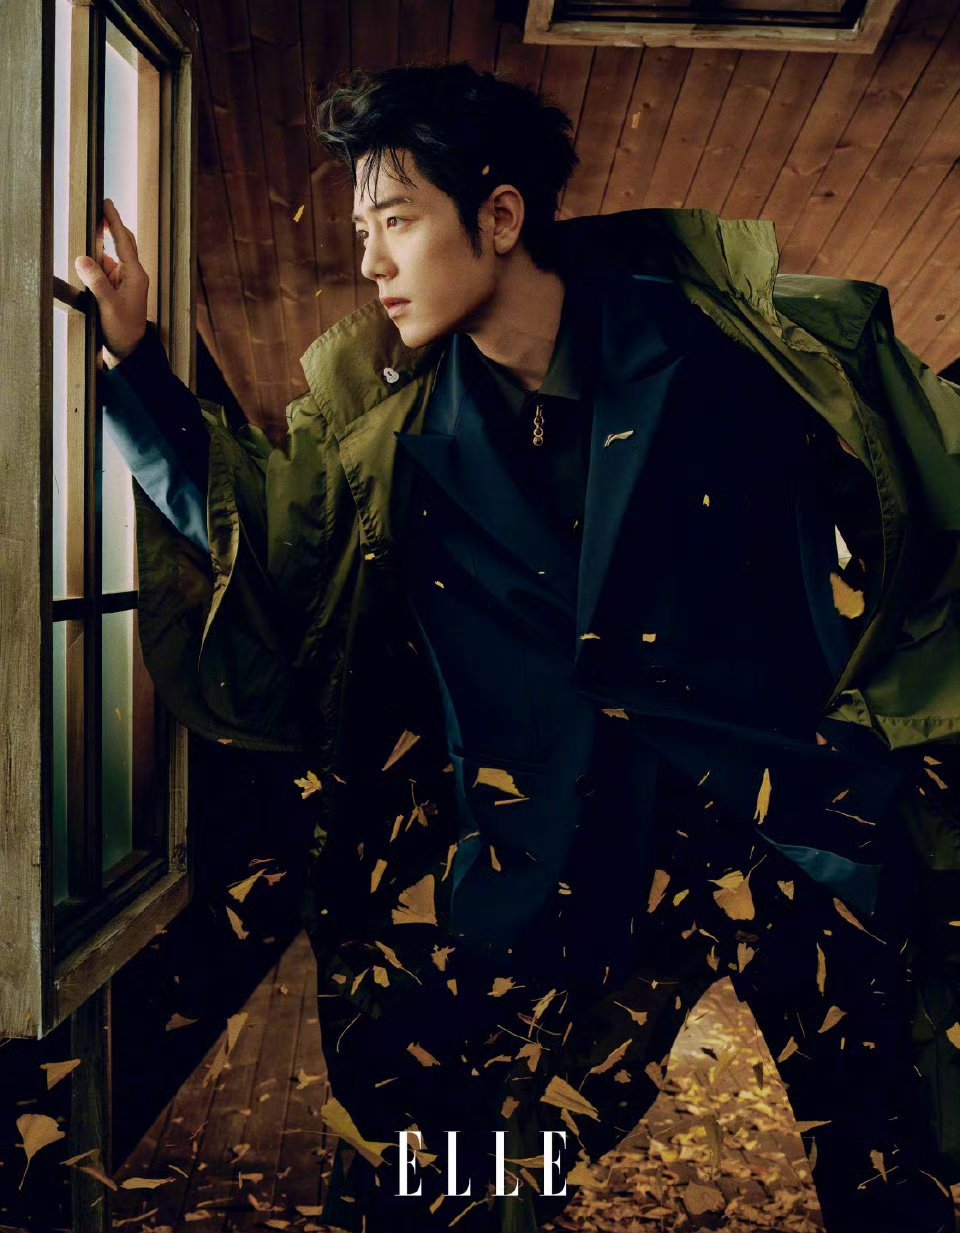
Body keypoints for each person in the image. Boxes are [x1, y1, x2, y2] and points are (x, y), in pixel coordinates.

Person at [77, 62, 960, 1233]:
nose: (370, 263)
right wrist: (134, 358)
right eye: (360, 229)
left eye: (397, 221)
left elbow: (926, 497)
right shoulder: (388, 442)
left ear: (500, 216)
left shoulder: (736, 354)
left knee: (899, 1169)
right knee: (466, 1178)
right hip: (566, 853)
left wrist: (903, 728)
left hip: (796, 826)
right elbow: (268, 541)